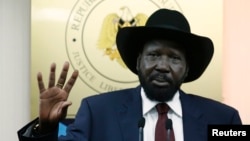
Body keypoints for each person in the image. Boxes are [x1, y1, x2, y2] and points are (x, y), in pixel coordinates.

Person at [17, 8, 242, 141]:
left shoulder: (223, 119)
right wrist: (45, 130)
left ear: (187, 69)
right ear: (138, 61)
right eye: (153, 55)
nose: (163, 66)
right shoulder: (97, 112)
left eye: (174, 58)